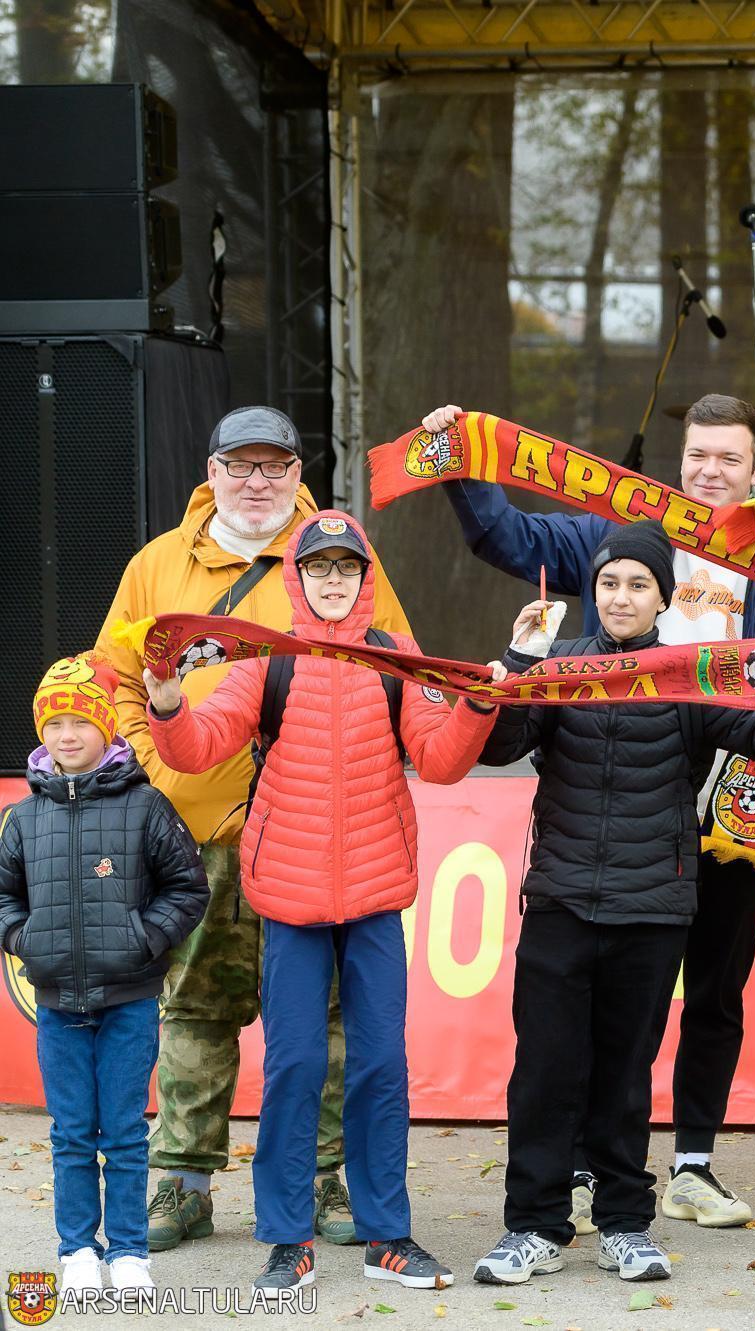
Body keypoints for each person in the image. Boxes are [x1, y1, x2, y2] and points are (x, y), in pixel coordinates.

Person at [421, 393, 755, 1232]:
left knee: (716, 983)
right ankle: (585, 1158)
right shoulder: (628, 532)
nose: (709, 471)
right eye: (698, 454)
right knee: (608, 990)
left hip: (740, 779)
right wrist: (460, 460)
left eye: (730, 458)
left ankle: (694, 1163)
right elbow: (507, 537)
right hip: (629, 788)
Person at [470, 523, 755, 1287]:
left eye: (639, 584)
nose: (622, 597)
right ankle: (533, 1225)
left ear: (663, 599)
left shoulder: (687, 674)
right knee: (543, 1071)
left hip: (653, 906)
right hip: (560, 899)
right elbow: (497, 745)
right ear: (592, 591)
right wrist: (519, 661)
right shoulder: (559, 666)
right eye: (610, 583)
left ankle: (624, 1224)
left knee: (624, 1074)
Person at [142, 512, 508, 1292]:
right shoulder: (268, 660)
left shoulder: (396, 654)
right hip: (288, 895)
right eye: (320, 566)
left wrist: (477, 706)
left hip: (376, 893)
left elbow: (439, 761)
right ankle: (287, 1240)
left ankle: (387, 1237)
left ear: (366, 575)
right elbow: (199, 748)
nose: (333, 579)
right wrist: (168, 705)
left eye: (347, 566)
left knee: (381, 1065)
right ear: (298, 576)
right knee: (296, 1065)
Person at [94, 406, 412, 1252]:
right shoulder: (156, 565)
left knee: (329, 1017)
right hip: (190, 832)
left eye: (275, 466)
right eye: (241, 465)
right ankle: (184, 1181)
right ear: (212, 472)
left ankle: (327, 1175)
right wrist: (156, 769)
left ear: (299, 474)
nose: (258, 481)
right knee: (194, 1005)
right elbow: (114, 677)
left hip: (316, 837)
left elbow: (398, 670)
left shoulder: (340, 554)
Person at [0, 656, 208, 1295]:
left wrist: (144, 939)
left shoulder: (146, 805)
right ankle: (77, 1250)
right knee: (69, 1134)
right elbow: (5, 896)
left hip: (129, 1001)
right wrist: (25, 938)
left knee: (122, 1133)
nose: (67, 735)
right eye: (55, 722)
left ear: (106, 727)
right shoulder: (23, 818)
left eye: (81, 722)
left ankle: (128, 1250)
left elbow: (187, 887)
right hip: (58, 1003)